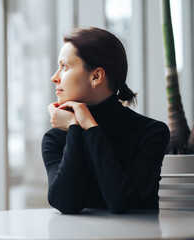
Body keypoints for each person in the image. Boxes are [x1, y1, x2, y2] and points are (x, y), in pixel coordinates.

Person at [41, 27, 170, 214]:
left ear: (96, 76)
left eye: (65, 67)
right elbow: (66, 203)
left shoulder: (152, 133)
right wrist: (75, 128)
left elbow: (122, 201)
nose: (55, 77)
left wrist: (91, 127)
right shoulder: (55, 138)